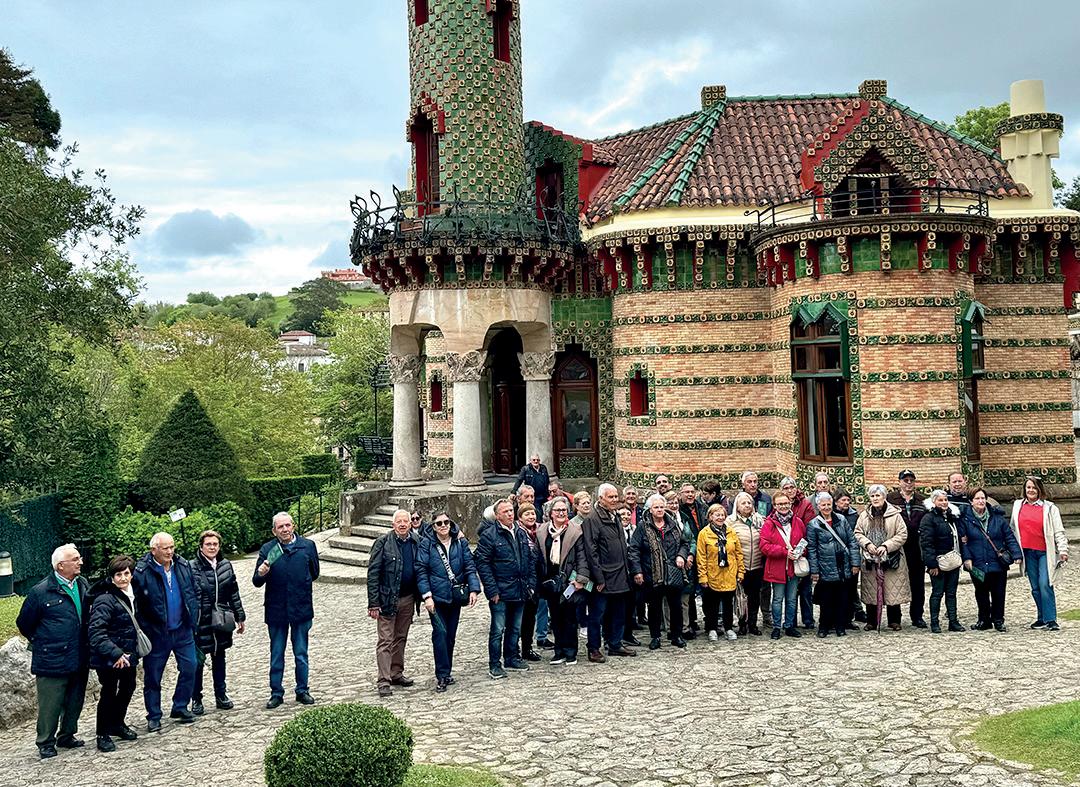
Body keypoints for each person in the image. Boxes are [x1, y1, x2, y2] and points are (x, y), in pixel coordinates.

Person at [16, 544, 90, 759]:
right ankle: (45, 741)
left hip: (79, 653)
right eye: (75, 559)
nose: (80, 562)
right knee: (51, 703)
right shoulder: (40, 592)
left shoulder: (82, 584)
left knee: (75, 698)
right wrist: (42, 641)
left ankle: (67, 734)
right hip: (51, 657)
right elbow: (24, 623)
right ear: (60, 566)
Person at [133, 532, 199, 731]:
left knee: (190, 666)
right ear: (154, 550)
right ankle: (154, 715)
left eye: (172, 547)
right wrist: (146, 627)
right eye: (165, 548)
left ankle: (180, 705)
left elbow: (192, 591)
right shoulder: (142, 571)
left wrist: (193, 616)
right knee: (153, 676)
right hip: (157, 632)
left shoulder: (183, 565)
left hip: (182, 628)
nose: (170, 551)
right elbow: (137, 604)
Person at [253, 512, 320, 707]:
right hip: (277, 609)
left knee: (301, 653)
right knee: (276, 654)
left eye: (287, 525)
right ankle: (276, 692)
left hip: (301, 608)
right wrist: (261, 573)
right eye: (280, 527)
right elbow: (256, 581)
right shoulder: (268, 549)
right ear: (274, 531)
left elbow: (314, 572)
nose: (285, 529)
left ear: (293, 526)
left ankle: (302, 690)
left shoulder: (307, 546)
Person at [416, 512, 480, 692]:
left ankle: (447, 671)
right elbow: (421, 570)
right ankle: (442, 674)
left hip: (455, 597)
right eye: (439, 523)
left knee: (450, 636)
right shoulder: (427, 544)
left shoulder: (460, 543)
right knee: (440, 634)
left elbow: (469, 567)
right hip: (436, 598)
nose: (443, 525)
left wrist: (473, 589)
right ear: (433, 526)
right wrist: (427, 596)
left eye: (446, 522)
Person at [474, 499, 537, 679]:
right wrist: (492, 590)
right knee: (497, 629)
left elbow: (529, 559)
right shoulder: (489, 535)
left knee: (515, 627)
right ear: (497, 515)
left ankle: (511, 657)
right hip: (500, 591)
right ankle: (495, 664)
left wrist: (531, 584)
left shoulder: (520, 532)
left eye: (511, 510)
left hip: (520, 588)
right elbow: (483, 564)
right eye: (505, 512)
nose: (510, 514)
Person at [87, 555, 141, 752]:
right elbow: (96, 631)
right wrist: (115, 654)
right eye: (118, 575)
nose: (123, 578)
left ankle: (117, 723)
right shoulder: (105, 599)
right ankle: (102, 733)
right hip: (108, 655)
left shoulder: (133, 593)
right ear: (111, 577)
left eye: (126, 573)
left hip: (127, 653)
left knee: (128, 686)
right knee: (109, 691)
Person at [190, 530, 246, 715]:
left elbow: (233, 592)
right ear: (201, 547)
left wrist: (239, 615)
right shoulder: (192, 567)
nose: (212, 547)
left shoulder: (226, 565)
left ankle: (221, 695)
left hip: (221, 619)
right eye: (208, 544)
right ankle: (196, 699)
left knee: (219, 658)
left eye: (215, 544)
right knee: (198, 662)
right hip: (201, 621)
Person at [580, 483, 636, 661]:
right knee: (597, 614)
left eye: (616, 496)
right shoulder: (592, 519)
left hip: (620, 574)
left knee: (618, 612)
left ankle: (615, 643)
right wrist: (599, 578)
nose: (614, 500)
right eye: (610, 497)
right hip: (603, 575)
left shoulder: (615, 515)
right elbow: (591, 550)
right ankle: (594, 648)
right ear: (601, 498)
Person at [367, 510, 420, 697]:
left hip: (408, 598)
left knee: (401, 637)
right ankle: (384, 680)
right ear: (393, 524)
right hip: (387, 599)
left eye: (406, 521)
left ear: (411, 524)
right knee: (385, 640)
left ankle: (396, 672)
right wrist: (373, 603)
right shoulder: (383, 543)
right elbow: (373, 573)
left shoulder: (417, 541)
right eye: (399, 521)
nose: (403, 524)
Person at [628, 493, 689, 650]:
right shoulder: (643, 526)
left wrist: (681, 555)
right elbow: (634, 549)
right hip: (652, 573)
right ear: (650, 509)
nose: (660, 510)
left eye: (662, 507)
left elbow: (684, 543)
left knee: (675, 606)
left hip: (673, 572)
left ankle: (676, 635)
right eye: (656, 507)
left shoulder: (673, 524)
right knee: (654, 607)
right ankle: (655, 636)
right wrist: (637, 571)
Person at [1009, 476, 1069, 631]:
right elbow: (1013, 529)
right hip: (1027, 553)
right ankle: (1041, 617)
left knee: (1044, 583)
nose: (1031, 490)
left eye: (1034, 487)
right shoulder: (1017, 506)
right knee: (1035, 587)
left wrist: (1063, 549)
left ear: (1039, 489)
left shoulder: (1050, 508)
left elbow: (1058, 531)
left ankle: (1051, 619)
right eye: (1028, 487)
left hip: (1044, 552)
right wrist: (1014, 551)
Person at [960, 488, 1021, 632]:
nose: (981, 501)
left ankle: (998, 620)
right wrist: (967, 558)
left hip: (997, 562)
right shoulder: (965, 519)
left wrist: (1016, 554)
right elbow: (963, 542)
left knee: (998, 592)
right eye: (977, 498)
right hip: (977, 562)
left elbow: (1009, 536)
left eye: (983, 498)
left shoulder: (997, 517)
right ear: (971, 501)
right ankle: (984, 620)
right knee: (981, 592)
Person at [536, 498, 586, 665]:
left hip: (569, 580)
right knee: (556, 617)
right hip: (550, 581)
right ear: (551, 513)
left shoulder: (575, 531)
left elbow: (582, 557)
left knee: (570, 617)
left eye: (564, 510)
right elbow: (539, 556)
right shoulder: (542, 531)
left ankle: (571, 651)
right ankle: (559, 651)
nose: (561, 513)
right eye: (557, 510)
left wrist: (580, 579)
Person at [854, 485, 910, 631]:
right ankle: (871, 621)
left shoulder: (895, 515)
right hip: (870, 558)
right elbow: (858, 533)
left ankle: (894, 620)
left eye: (878, 495)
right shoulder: (864, 515)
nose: (875, 499)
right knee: (871, 590)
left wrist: (886, 546)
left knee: (893, 589)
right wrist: (867, 544)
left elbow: (902, 534)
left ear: (884, 497)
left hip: (892, 557)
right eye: (872, 496)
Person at [806, 492, 861, 638]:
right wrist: (814, 570)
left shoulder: (841, 520)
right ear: (818, 506)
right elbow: (812, 549)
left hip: (843, 565)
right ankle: (824, 626)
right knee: (826, 600)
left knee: (842, 598)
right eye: (823, 505)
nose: (826, 507)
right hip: (825, 567)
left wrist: (855, 563)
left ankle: (840, 626)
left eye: (828, 504)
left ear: (832, 505)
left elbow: (852, 542)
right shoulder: (813, 524)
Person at [760, 494, 807, 639]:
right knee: (777, 598)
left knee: (792, 599)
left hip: (793, 567)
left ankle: (789, 625)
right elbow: (764, 546)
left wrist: (800, 552)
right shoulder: (769, 524)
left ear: (790, 503)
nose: (783, 506)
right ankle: (776, 626)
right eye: (780, 504)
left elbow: (804, 541)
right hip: (777, 566)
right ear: (774, 506)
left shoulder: (798, 522)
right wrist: (784, 551)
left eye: (786, 503)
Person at [696, 503, 745, 641]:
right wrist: (702, 577)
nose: (720, 517)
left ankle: (728, 628)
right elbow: (701, 557)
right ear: (710, 517)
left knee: (728, 603)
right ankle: (712, 628)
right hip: (713, 574)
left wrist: (740, 572)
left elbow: (738, 553)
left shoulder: (731, 532)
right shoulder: (704, 534)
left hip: (729, 573)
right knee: (712, 604)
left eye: (722, 515)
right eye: (717, 515)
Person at [921, 490, 965, 634]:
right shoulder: (928, 518)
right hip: (938, 561)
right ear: (933, 502)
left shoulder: (952, 517)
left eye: (945, 500)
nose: (944, 502)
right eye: (940, 500)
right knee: (937, 593)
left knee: (951, 593)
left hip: (952, 560)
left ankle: (953, 621)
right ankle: (934, 622)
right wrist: (931, 564)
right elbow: (926, 543)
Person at [887, 470, 927, 628]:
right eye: (905, 480)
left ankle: (917, 616)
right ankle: (894, 618)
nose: (909, 483)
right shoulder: (890, 499)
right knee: (894, 583)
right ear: (899, 482)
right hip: (897, 548)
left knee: (918, 584)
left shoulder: (923, 500)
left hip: (917, 548)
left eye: (911, 480)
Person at [727, 491, 767, 636]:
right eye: (743, 503)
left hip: (757, 565)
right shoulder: (730, 522)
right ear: (737, 506)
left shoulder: (759, 520)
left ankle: (753, 624)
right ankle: (742, 623)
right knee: (740, 597)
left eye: (749, 502)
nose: (747, 505)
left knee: (754, 596)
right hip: (740, 566)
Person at [779, 477, 816, 629]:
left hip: (802, 551)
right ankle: (791, 620)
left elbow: (809, 529)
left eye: (792, 487)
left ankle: (808, 619)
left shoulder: (805, 504)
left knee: (805, 589)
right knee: (790, 591)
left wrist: (800, 551)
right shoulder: (778, 504)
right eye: (786, 488)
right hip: (786, 554)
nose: (790, 490)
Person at [516, 504, 546, 661]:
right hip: (521, 580)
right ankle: (514, 649)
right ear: (520, 517)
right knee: (517, 618)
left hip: (537, 579)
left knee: (530, 616)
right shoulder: (517, 532)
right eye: (527, 514)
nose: (531, 516)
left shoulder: (540, 531)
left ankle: (527, 648)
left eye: (533, 513)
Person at [832, 487, 864, 626]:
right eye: (843, 500)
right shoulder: (830, 515)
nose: (846, 502)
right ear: (836, 502)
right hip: (835, 556)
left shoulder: (854, 516)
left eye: (848, 500)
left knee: (851, 588)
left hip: (850, 555)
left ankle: (848, 619)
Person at [676, 484, 705, 637]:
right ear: (680, 494)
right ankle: (688, 622)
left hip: (702, 552)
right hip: (687, 554)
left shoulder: (702, 508)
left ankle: (700, 620)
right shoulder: (680, 511)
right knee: (688, 590)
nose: (690, 494)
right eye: (686, 492)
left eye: (692, 492)